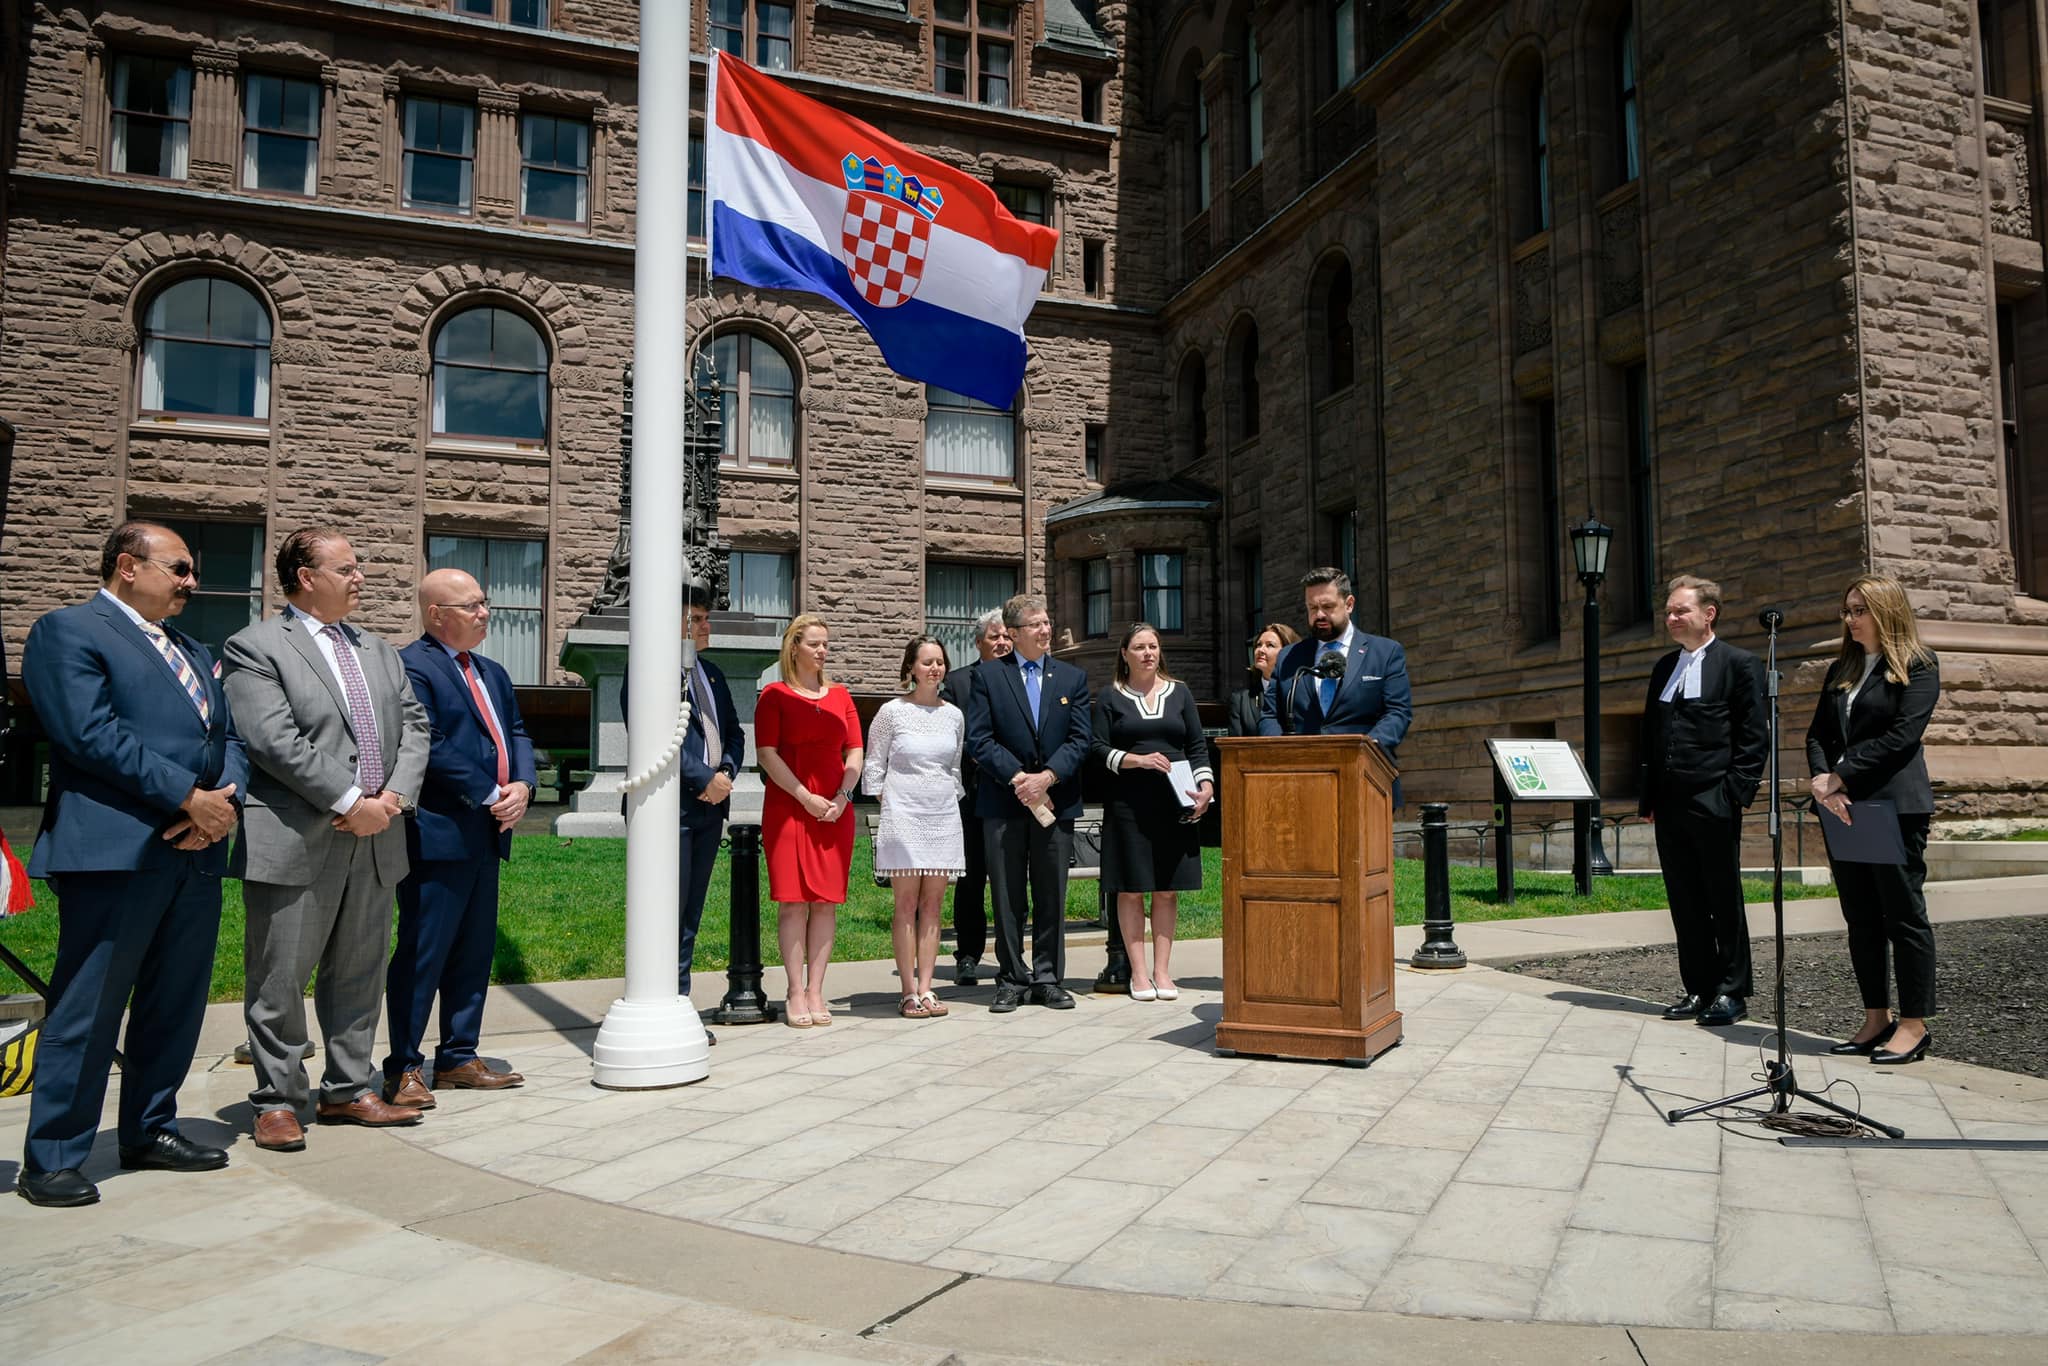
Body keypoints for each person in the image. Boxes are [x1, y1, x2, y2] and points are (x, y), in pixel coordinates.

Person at [15, 522, 247, 1207]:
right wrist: (186, 797)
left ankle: (148, 1129)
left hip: (197, 852)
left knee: (175, 1001)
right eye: (178, 568)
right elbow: (89, 735)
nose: (190, 581)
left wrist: (220, 805)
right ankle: (53, 1155)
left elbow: (226, 734)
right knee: (89, 1008)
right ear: (126, 566)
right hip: (116, 852)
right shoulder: (69, 631)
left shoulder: (192, 648)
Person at [224, 527, 430, 1152]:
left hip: (377, 838)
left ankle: (348, 1089)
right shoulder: (255, 646)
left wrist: (390, 799)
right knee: (279, 977)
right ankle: (279, 1100)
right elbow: (271, 739)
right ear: (306, 577)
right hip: (297, 836)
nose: (360, 577)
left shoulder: (380, 650)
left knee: (360, 972)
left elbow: (416, 726)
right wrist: (350, 801)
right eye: (347, 568)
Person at [381, 568, 538, 1110]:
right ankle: (403, 1066)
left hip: (487, 832)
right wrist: (493, 792)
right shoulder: (412, 667)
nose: (484, 613)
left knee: (474, 949)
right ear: (435, 615)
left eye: (484, 602)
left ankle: (458, 1056)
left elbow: (515, 731)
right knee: (424, 952)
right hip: (439, 832)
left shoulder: (492, 671)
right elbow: (431, 743)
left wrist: (522, 783)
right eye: (470, 606)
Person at [1806, 574, 1941, 1065]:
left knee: (1903, 916)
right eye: (1847, 611)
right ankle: (1875, 1017)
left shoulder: (1919, 665)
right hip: (1844, 811)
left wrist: (1839, 776)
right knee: (1861, 918)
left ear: (1886, 611)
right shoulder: (1843, 667)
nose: (1850, 619)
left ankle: (1913, 1024)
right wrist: (1824, 781)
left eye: (1859, 610)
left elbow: (1902, 737)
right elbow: (1818, 733)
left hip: (1894, 807)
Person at [1637, 574, 1767, 1028]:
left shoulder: (1740, 664)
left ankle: (1732, 992)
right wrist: (1649, 797)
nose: (1671, 619)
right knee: (1685, 900)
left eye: (1680, 611)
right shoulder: (1663, 668)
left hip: (1714, 799)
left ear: (1708, 614)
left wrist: (1734, 793)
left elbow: (1754, 739)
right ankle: (1699, 987)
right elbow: (1651, 737)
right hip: (1670, 804)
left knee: (1722, 897)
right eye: (1668, 612)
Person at [965, 593, 1092, 1013]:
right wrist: (1020, 779)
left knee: (1051, 893)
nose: (1046, 629)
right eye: (1036, 624)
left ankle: (1048, 978)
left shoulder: (1072, 679)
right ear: (1014, 634)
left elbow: (1080, 739)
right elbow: (980, 740)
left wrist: (1047, 778)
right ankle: (1011, 978)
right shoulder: (988, 678)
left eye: (1047, 622)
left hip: (1055, 803)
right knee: (1006, 895)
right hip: (1004, 803)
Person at [620, 585, 746, 1001]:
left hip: (711, 809)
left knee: (690, 914)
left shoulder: (711, 674)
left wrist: (724, 772)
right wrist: (702, 778)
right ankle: (657, 1000)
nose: (705, 626)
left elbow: (733, 732)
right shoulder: (647, 671)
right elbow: (652, 738)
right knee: (665, 914)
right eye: (695, 620)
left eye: (705, 619)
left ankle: (679, 1001)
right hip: (668, 808)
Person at [1093, 623, 1213, 1003]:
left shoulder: (1180, 693)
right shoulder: (1110, 697)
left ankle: (1163, 970)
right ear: (1125, 654)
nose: (1148, 653)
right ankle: (1139, 973)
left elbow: (1197, 745)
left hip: (1173, 802)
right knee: (1130, 890)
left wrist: (1206, 788)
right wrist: (1136, 760)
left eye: (1154, 646)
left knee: (1166, 889)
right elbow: (1096, 749)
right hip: (1128, 804)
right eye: (1140, 647)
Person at [756, 614, 863, 1028]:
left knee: (824, 903)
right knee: (793, 901)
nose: (822, 651)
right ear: (794, 647)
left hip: (835, 810)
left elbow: (855, 752)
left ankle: (817, 989)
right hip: (789, 806)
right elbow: (767, 753)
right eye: (814, 643)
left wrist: (841, 796)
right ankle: (794, 990)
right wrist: (804, 796)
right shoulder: (774, 695)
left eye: (825, 644)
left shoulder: (841, 695)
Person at [864, 635, 966, 1018]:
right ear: (910, 668)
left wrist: (943, 799)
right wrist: (891, 804)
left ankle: (927, 988)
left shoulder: (954, 715)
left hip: (941, 815)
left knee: (934, 905)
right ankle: (907, 990)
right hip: (902, 813)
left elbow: (954, 767)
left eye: (939, 662)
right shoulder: (892, 711)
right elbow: (874, 766)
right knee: (906, 904)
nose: (934, 668)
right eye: (926, 662)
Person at [1259, 568, 1413, 804]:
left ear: (1349, 604)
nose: (1319, 614)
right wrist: (1283, 754)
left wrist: (1364, 751)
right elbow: (1270, 715)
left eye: (1328, 607)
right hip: (1300, 785)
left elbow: (1398, 713)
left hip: (1367, 782)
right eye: (1312, 608)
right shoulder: (1289, 657)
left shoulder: (1385, 653)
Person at [938, 609, 1011, 984]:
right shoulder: (957, 684)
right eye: (994, 637)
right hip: (969, 795)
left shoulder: (1021, 677)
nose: (1002, 642)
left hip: (1013, 795)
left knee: (1010, 879)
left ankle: (1011, 957)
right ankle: (967, 955)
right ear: (979, 641)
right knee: (971, 878)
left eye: (1006, 636)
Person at [1228, 622, 1299, 737]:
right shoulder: (1241, 700)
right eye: (1258, 645)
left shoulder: (1302, 693)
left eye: (1270, 645)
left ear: (1287, 652)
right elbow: (1235, 747)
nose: (1260, 650)